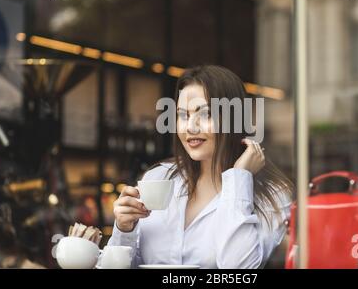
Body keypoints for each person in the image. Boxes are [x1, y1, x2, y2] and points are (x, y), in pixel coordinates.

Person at [108, 65, 293, 268]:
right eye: (182, 115)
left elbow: (238, 270)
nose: (190, 127)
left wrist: (240, 177)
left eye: (205, 114)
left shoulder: (273, 196)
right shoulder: (157, 179)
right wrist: (124, 229)